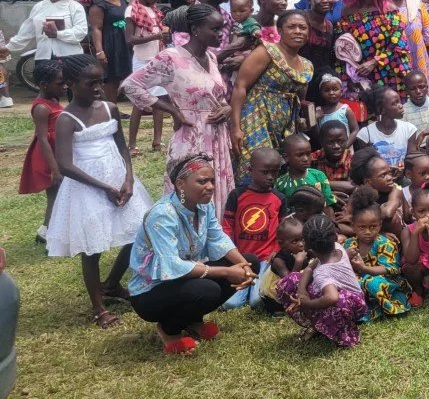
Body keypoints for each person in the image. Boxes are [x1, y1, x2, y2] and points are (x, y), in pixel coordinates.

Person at [47, 54, 152, 328]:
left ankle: (113, 284)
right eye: (90, 83)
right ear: (71, 83)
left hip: (119, 179)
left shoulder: (109, 108)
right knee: (92, 248)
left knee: (138, 232)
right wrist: (104, 187)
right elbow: (65, 165)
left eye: (101, 82)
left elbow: (122, 147)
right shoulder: (66, 119)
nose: (97, 88)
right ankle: (98, 307)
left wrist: (128, 178)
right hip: (87, 187)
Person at [129, 154, 259, 354]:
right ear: (181, 184)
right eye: (202, 181)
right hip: (150, 292)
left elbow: (218, 239)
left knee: (250, 262)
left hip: (181, 282)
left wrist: (243, 267)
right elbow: (172, 266)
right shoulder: (163, 215)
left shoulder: (203, 205)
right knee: (207, 289)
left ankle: (192, 321)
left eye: (212, 181)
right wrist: (226, 272)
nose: (210, 186)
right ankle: (169, 329)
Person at [123, 4, 236, 215]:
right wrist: (172, 110)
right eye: (214, 29)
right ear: (195, 30)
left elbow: (216, 95)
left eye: (221, 28)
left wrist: (227, 108)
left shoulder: (211, 58)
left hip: (217, 136)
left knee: (216, 195)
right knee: (190, 196)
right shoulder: (171, 58)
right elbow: (130, 86)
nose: (221, 34)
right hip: (191, 136)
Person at [230, 11, 314, 179]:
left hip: (285, 126)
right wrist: (236, 128)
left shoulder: (307, 65)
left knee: (278, 171)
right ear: (280, 30)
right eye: (291, 27)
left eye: (302, 28)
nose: (298, 31)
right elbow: (240, 86)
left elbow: (300, 98)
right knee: (256, 168)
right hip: (256, 118)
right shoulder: (266, 52)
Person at [275, 214, 367, 347]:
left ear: (308, 246)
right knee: (291, 280)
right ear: (334, 236)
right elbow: (309, 268)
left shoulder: (322, 272)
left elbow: (332, 297)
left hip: (352, 304)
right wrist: (302, 291)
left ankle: (345, 334)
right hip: (352, 296)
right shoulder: (336, 246)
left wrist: (306, 304)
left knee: (336, 301)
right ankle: (317, 325)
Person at [219, 148, 285, 310]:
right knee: (229, 304)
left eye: (274, 173)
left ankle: (255, 289)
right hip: (241, 259)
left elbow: (284, 231)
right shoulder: (237, 195)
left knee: (257, 301)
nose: (270, 177)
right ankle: (247, 288)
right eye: (265, 172)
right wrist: (230, 253)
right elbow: (227, 226)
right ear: (250, 170)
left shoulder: (279, 198)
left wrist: (276, 251)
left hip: (264, 260)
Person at [336, 0, 413, 94]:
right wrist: (348, 77)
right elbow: (342, 47)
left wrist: (375, 62)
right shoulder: (348, 12)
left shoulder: (390, 10)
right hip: (362, 75)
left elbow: (399, 44)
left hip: (392, 71)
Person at [344, 186, 413, 320]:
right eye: (362, 227)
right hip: (360, 280)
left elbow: (390, 269)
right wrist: (345, 256)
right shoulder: (350, 244)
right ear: (353, 226)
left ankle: (388, 307)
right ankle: (358, 309)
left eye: (373, 227)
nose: (368, 232)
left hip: (388, 282)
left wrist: (364, 268)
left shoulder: (385, 243)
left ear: (380, 225)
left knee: (371, 283)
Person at [0, 0, 88, 66]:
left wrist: (57, 34)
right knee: (44, 81)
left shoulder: (75, 7)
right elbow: (27, 31)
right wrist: (9, 47)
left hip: (69, 57)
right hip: (43, 57)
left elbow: (81, 31)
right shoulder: (39, 7)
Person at [122, 0, 170, 156]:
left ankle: (157, 141)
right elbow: (130, 39)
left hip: (156, 59)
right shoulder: (132, 10)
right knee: (140, 103)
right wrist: (156, 37)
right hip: (142, 62)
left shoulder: (153, 11)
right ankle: (132, 144)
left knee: (159, 102)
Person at [21, 61, 65, 244]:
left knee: (58, 193)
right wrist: (54, 168)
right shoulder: (41, 108)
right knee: (55, 192)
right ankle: (50, 232)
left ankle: (47, 229)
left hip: (58, 151)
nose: (64, 86)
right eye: (60, 83)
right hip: (49, 156)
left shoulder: (53, 100)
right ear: (44, 85)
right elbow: (42, 138)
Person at [86, 0, 132, 104]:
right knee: (112, 80)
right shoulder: (99, 4)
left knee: (128, 76)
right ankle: (109, 109)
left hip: (125, 42)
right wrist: (100, 51)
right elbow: (96, 28)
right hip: (111, 45)